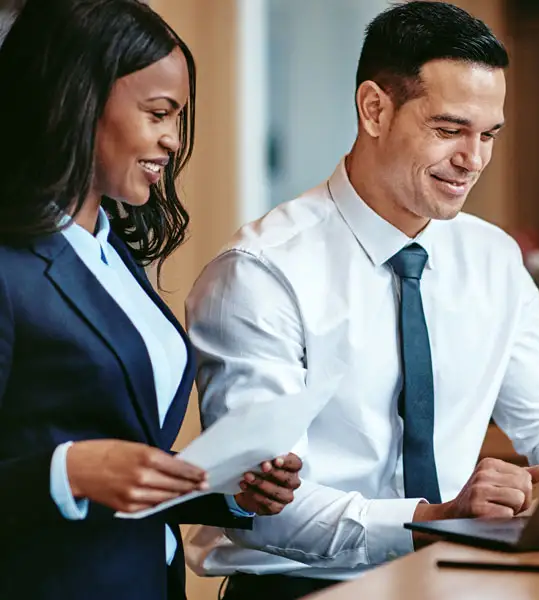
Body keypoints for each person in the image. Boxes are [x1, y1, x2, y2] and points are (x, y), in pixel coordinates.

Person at [185, 1, 539, 599]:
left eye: (488, 136)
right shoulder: (262, 274)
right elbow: (268, 510)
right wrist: (434, 519)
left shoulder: (493, 259)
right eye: (449, 130)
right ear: (375, 108)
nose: (472, 161)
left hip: (452, 582)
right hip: (303, 591)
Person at [0, 1, 302, 599]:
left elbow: (124, 453)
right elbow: (82, 464)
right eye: (158, 114)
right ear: (77, 102)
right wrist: (70, 471)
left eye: (178, 117)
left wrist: (221, 486)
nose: (172, 140)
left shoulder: (112, 254)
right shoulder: (10, 265)